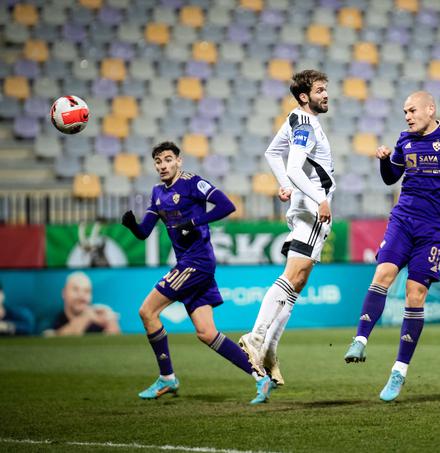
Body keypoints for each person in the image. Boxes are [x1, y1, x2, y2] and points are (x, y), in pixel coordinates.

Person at [343, 91, 440, 401]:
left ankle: (398, 371)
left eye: (412, 110)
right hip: (402, 220)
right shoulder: (405, 139)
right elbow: (392, 178)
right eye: (404, 112)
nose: (407, 116)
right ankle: (360, 340)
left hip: (434, 229)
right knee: (383, 275)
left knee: (415, 296)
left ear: (430, 109)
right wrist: (384, 161)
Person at [121, 141, 273, 404]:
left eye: (168, 159)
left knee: (147, 312)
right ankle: (261, 377)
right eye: (158, 161)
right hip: (191, 264)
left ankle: (167, 378)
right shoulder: (157, 193)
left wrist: (193, 222)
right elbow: (145, 233)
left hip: (196, 262)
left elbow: (226, 205)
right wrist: (132, 226)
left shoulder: (192, 183)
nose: (162, 165)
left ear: (179, 161)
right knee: (206, 333)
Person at [238, 69, 334, 390]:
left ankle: (269, 352)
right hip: (311, 210)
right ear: (305, 96)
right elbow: (294, 166)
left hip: (306, 207)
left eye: (325, 89)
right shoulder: (305, 124)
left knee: (298, 282)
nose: (326, 94)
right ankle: (256, 337)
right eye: (320, 90)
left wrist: (284, 185)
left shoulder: (296, 119)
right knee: (292, 278)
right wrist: (319, 198)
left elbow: (272, 153)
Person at [46, 271, 120, 336]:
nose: (81, 296)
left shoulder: (97, 326)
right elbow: (52, 339)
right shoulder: (49, 320)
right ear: (64, 293)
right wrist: (87, 316)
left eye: (87, 291)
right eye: (75, 289)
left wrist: (111, 323)